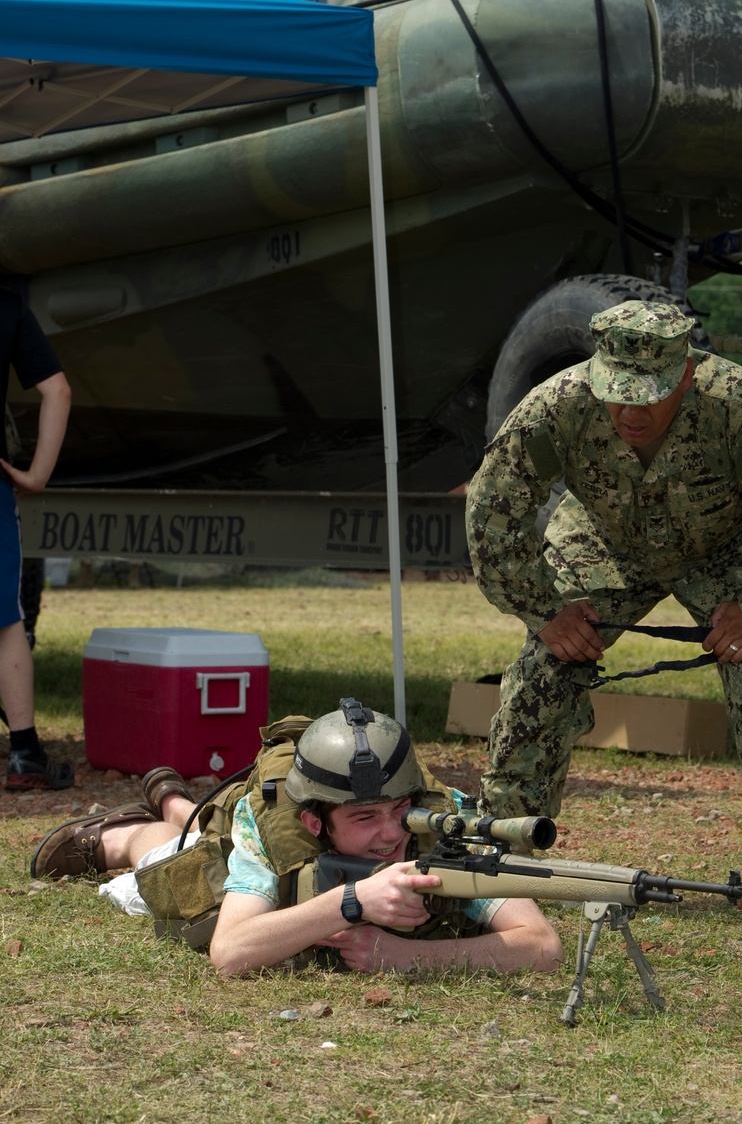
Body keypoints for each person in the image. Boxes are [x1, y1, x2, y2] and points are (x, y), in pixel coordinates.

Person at [466, 300, 742, 923]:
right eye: (617, 394)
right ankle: (507, 838)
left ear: (688, 376)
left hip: (730, 546)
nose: (631, 412)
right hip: (607, 540)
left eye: (650, 395)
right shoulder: (558, 406)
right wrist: (545, 612)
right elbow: (493, 512)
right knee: (544, 668)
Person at [31, 701, 562, 977]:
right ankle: (129, 828)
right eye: (364, 817)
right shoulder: (277, 831)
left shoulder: (444, 824)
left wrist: (403, 957)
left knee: (193, 823)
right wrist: (351, 901)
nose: (390, 834)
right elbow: (231, 953)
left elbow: (540, 945)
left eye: (401, 811)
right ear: (316, 823)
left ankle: (171, 795)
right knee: (180, 863)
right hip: (237, 831)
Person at [0, 290, 73, 790]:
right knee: (6, 623)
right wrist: (37, 474)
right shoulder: (5, 304)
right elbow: (58, 391)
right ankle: (25, 753)